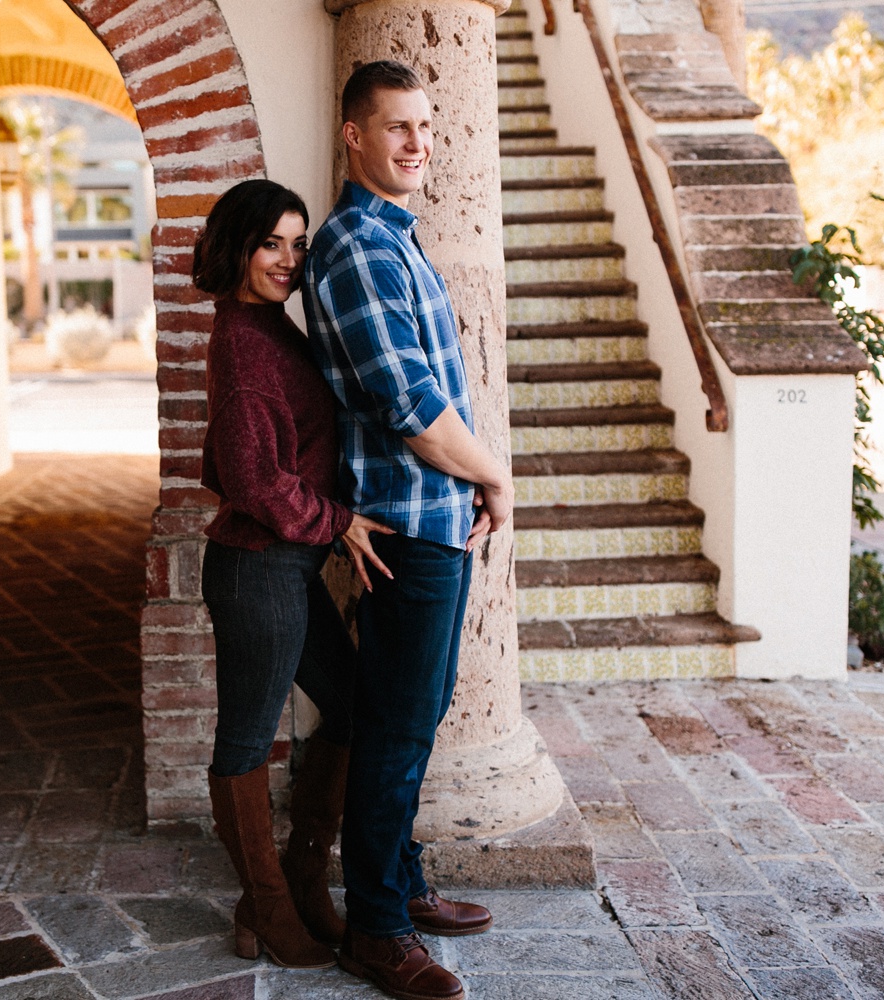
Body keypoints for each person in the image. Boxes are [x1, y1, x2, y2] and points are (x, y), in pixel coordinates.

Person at [303, 61, 515, 1000]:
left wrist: (470, 489)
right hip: (402, 528)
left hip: (434, 523)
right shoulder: (356, 246)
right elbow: (412, 405)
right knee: (394, 730)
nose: (418, 143)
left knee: (415, 721)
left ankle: (401, 880)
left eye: (426, 128)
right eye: (397, 128)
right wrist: (494, 476)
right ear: (354, 135)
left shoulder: (399, 239)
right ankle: (375, 929)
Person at [193, 179, 394, 970]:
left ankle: (305, 883)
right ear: (238, 247)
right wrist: (339, 523)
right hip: (257, 570)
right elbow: (254, 481)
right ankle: (268, 909)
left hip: (286, 570)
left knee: (346, 706)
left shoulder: (272, 326)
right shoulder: (245, 343)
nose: (288, 259)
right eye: (271, 242)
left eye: (298, 242)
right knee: (244, 741)